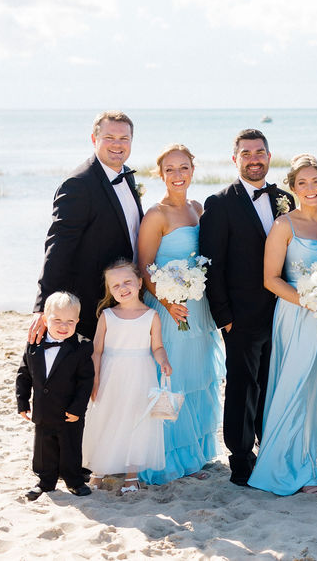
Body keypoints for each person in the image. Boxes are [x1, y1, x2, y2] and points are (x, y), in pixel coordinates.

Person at [248, 154, 317, 495]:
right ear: (292, 188)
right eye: (302, 183)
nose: (310, 189)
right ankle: (295, 468)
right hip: (298, 315)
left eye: (316, 182)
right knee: (298, 387)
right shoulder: (285, 225)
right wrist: (313, 302)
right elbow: (271, 279)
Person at [199, 130, 295, 486]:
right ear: (234, 158)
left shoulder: (286, 200)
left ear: (270, 156)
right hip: (239, 316)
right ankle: (240, 458)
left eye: (260, 152)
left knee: (272, 382)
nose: (254, 158)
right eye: (246, 153)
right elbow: (212, 265)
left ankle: (268, 446)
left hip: (283, 312)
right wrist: (224, 317)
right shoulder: (219, 203)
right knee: (242, 385)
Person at [136, 144, 226, 485]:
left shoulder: (197, 208)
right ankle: (167, 455)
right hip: (168, 306)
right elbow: (145, 267)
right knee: (172, 379)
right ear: (160, 175)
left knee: (198, 376)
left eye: (184, 167)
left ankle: (195, 455)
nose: (178, 175)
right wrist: (168, 301)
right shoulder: (155, 215)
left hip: (197, 307)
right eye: (170, 169)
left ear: (192, 170)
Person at [30, 111, 142, 342]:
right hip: (93, 298)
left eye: (124, 139)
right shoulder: (79, 183)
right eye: (109, 137)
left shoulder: (127, 176)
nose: (117, 145)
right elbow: (59, 245)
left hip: (124, 294)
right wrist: (44, 305)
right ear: (94, 139)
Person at [82, 260, 170, 494]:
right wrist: (96, 378)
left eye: (127, 282)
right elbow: (97, 351)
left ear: (140, 283)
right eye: (116, 285)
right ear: (110, 290)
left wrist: (164, 361)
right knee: (106, 417)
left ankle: (132, 475)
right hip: (111, 375)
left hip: (141, 374)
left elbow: (157, 347)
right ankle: (98, 470)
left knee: (136, 422)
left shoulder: (151, 315)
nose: (123, 288)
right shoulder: (107, 315)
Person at [16, 291, 95, 501]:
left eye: (70, 321)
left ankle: (74, 481)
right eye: (57, 320)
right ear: (44, 319)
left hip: (69, 411)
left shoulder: (82, 346)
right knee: (43, 448)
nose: (63, 326)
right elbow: (24, 374)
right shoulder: (34, 344)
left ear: (78, 321)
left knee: (70, 446)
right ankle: (45, 481)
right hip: (43, 409)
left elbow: (85, 382)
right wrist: (22, 401)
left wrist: (78, 408)